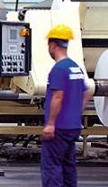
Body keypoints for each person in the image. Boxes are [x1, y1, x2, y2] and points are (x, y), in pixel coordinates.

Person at [41, 24, 92, 187]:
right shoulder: (75, 67)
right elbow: (87, 92)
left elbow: (58, 96)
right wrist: (76, 112)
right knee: (68, 166)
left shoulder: (58, 69)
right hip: (73, 127)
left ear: (52, 45)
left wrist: (50, 124)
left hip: (59, 128)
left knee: (52, 166)